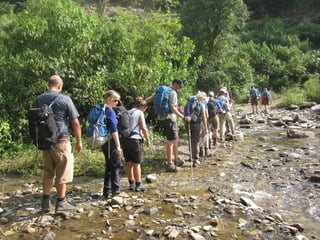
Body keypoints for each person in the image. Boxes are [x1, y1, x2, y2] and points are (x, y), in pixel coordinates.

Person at [33, 75, 82, 213]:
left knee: (48, 172)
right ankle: (61, 202)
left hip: (45, 142)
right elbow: (75, 122)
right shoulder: (64, 99)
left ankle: (45, 202)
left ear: (49, 84)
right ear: (59, 85)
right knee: (63, 173)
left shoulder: (39, 99)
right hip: (61, 141)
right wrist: (79, 141)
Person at [145, 78, 191, 172]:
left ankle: (176, 158)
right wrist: (183, 117)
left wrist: (140, 103)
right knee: (171, 141)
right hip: (170, 118)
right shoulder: (172, 93)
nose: (179, 88)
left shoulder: (162, 90)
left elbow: (150, 99)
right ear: (174, 84)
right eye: (179, 86)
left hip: (161, 118)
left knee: (175, 138)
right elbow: (173, 108)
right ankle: (170, 164)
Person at [123, 97, 151, 192]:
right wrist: (148, 140)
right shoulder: (140, 113)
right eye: (145, 109)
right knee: (136, 163)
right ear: (143, 107)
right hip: (135, 140)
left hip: (125, 140)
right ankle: (139, 185)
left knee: (128, 163)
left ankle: (131, 183)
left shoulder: (127, 111)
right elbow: (143, 127)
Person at [101, 90, 123, 199]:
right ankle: (116, 192)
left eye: (117, 101)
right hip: (111, 142)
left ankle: (107, 191)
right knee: (115, 166)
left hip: (104, 142)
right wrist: (118, 145)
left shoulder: (101, 109)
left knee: (109, 167)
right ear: (109, 99)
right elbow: (114, 129)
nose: (117, 103)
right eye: (115, 101)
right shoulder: (109, 111)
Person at [184, 91, 208, 167]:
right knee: (196, 141)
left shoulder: (190, 100)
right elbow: (204, 116)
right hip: (196, 124)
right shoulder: (201, 104)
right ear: (203, 98)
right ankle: (195, 159)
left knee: (190, 140)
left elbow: (184, 111)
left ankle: (191, 156)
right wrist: (206, 127)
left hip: (187, 122)